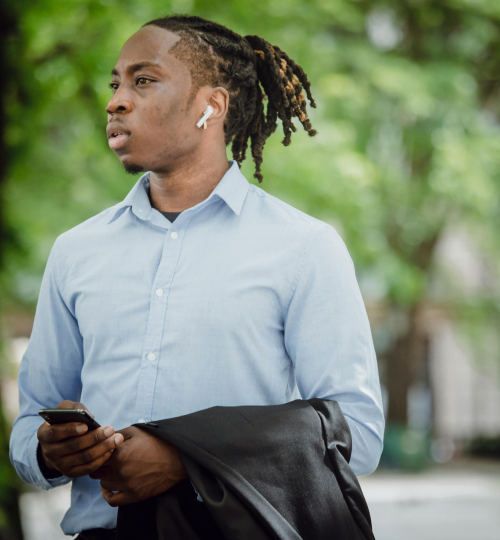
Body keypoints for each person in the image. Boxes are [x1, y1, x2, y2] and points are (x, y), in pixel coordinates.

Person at [9, 14, 384, 539]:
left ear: (211, 106)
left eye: (144, 80)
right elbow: (29, 428)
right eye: (115, 83)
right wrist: (50, 452)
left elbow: (357, 436)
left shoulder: (305, 248)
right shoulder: (75, 252)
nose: (116, 100)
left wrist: (188, 459)